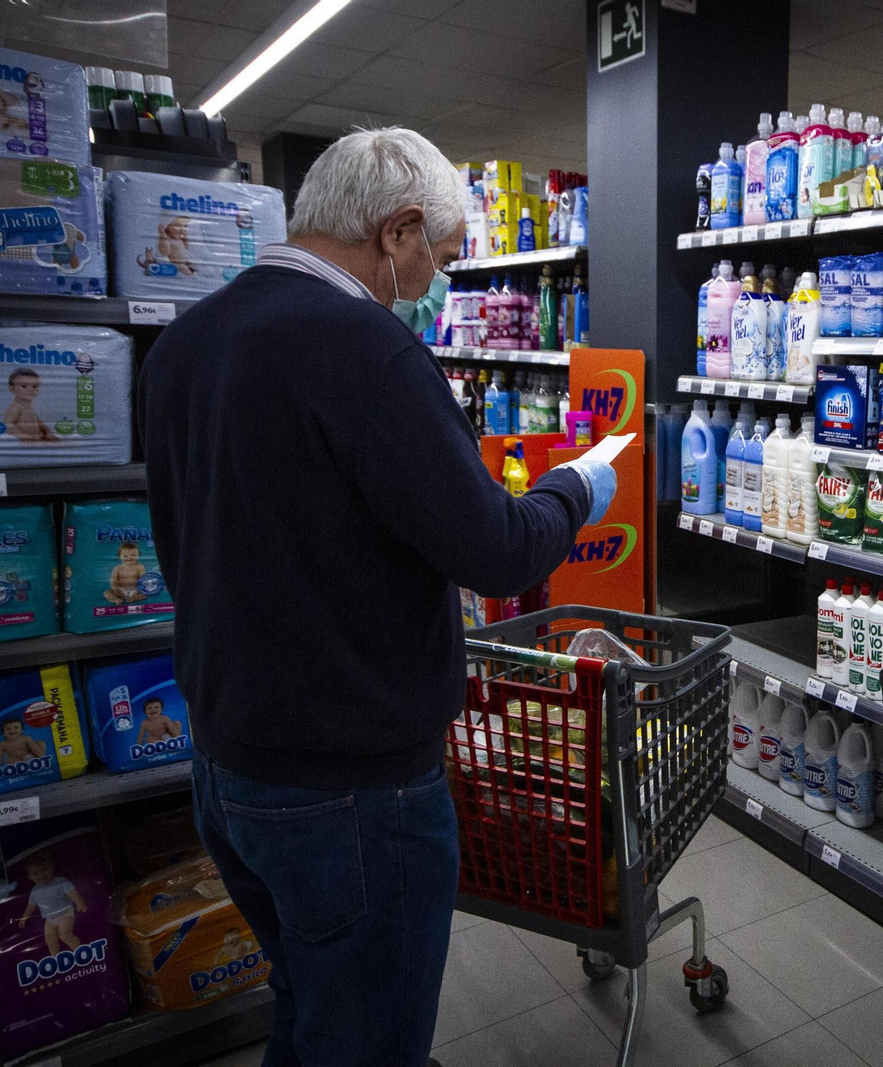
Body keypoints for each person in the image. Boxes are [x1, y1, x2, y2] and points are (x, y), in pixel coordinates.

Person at [137, 127, 615, 1067]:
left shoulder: (184, 344)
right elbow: (497, 550)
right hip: (351, 791)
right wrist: (579, 484)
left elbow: (186, 539)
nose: (433, 284)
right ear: (395, 233)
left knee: (314, 1005)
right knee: (369, 1038)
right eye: (436, 258)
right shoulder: (367, 351)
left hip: (227, 769)